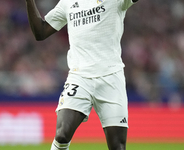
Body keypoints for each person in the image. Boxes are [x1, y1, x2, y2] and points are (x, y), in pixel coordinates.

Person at [25, 0, 139, 149]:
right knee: (62, 134)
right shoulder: (67, 2)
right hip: (79, 77)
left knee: (117, 145)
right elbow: (40, 32)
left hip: (111, 78)